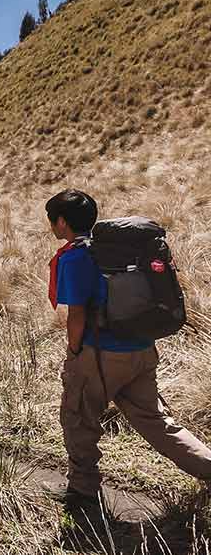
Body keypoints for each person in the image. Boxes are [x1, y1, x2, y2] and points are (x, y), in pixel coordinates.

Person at [46, 189, 211, 511]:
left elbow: (77, 315)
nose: (52, 226)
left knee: (78, 418)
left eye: (53, 220)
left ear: (62, 222)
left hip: (100, 355)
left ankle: (82, 492)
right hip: (141, 348)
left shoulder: (76, 258)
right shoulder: (116, 251)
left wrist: (75, 353)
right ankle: (207, 466)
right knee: (156, 421)